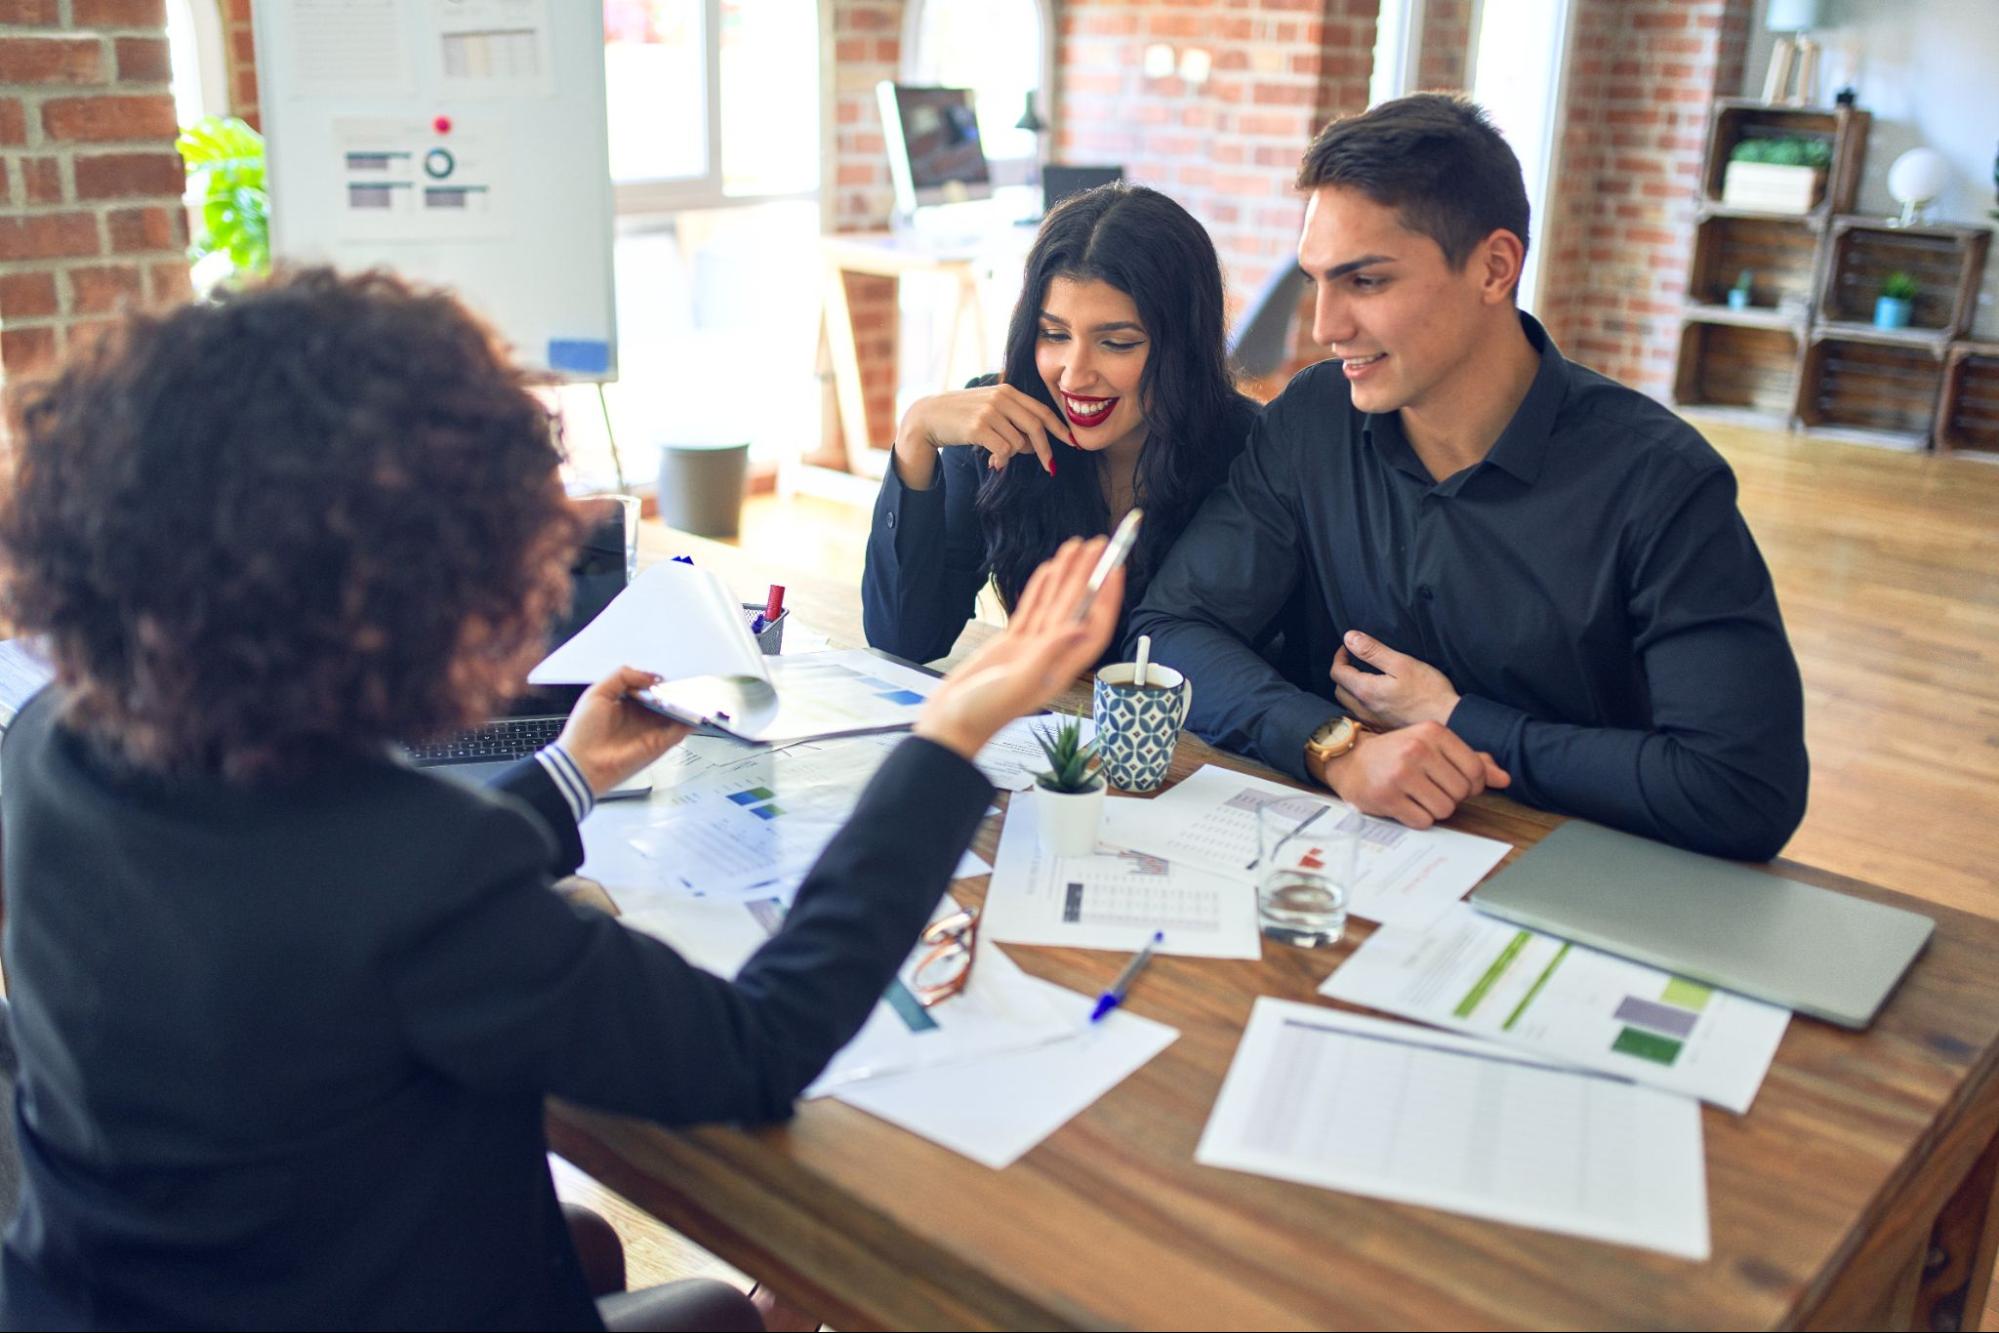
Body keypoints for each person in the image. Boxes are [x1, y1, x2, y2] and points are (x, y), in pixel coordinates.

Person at [0, 268, 1122, 1330]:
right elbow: (758, 1044)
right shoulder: (413, 867)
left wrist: (568, 776)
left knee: (580, 1236)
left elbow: (327, 904)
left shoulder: (51, 746)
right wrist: (948, 732)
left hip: (134, 1289)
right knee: (734, 1308)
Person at [1128, 95, 1809, 861]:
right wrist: (1333, 743)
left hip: (1586, 878)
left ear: (1494, 268)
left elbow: (1742, 788)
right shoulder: (1312, 420)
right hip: (1353, 857)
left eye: (1366, 282)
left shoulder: (1660, 483)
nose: (1324, 326)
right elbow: (1170, 629)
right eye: (1317, 280)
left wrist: (1457, 717)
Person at [862, 183, 1262, 663]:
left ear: (1182, 347)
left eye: (1117, 342)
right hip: (1047, 728)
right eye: (1054, 334)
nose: (1075, 374)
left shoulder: (1250, 451)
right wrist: (915, 435)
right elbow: (903, 638)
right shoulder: (998, 429)